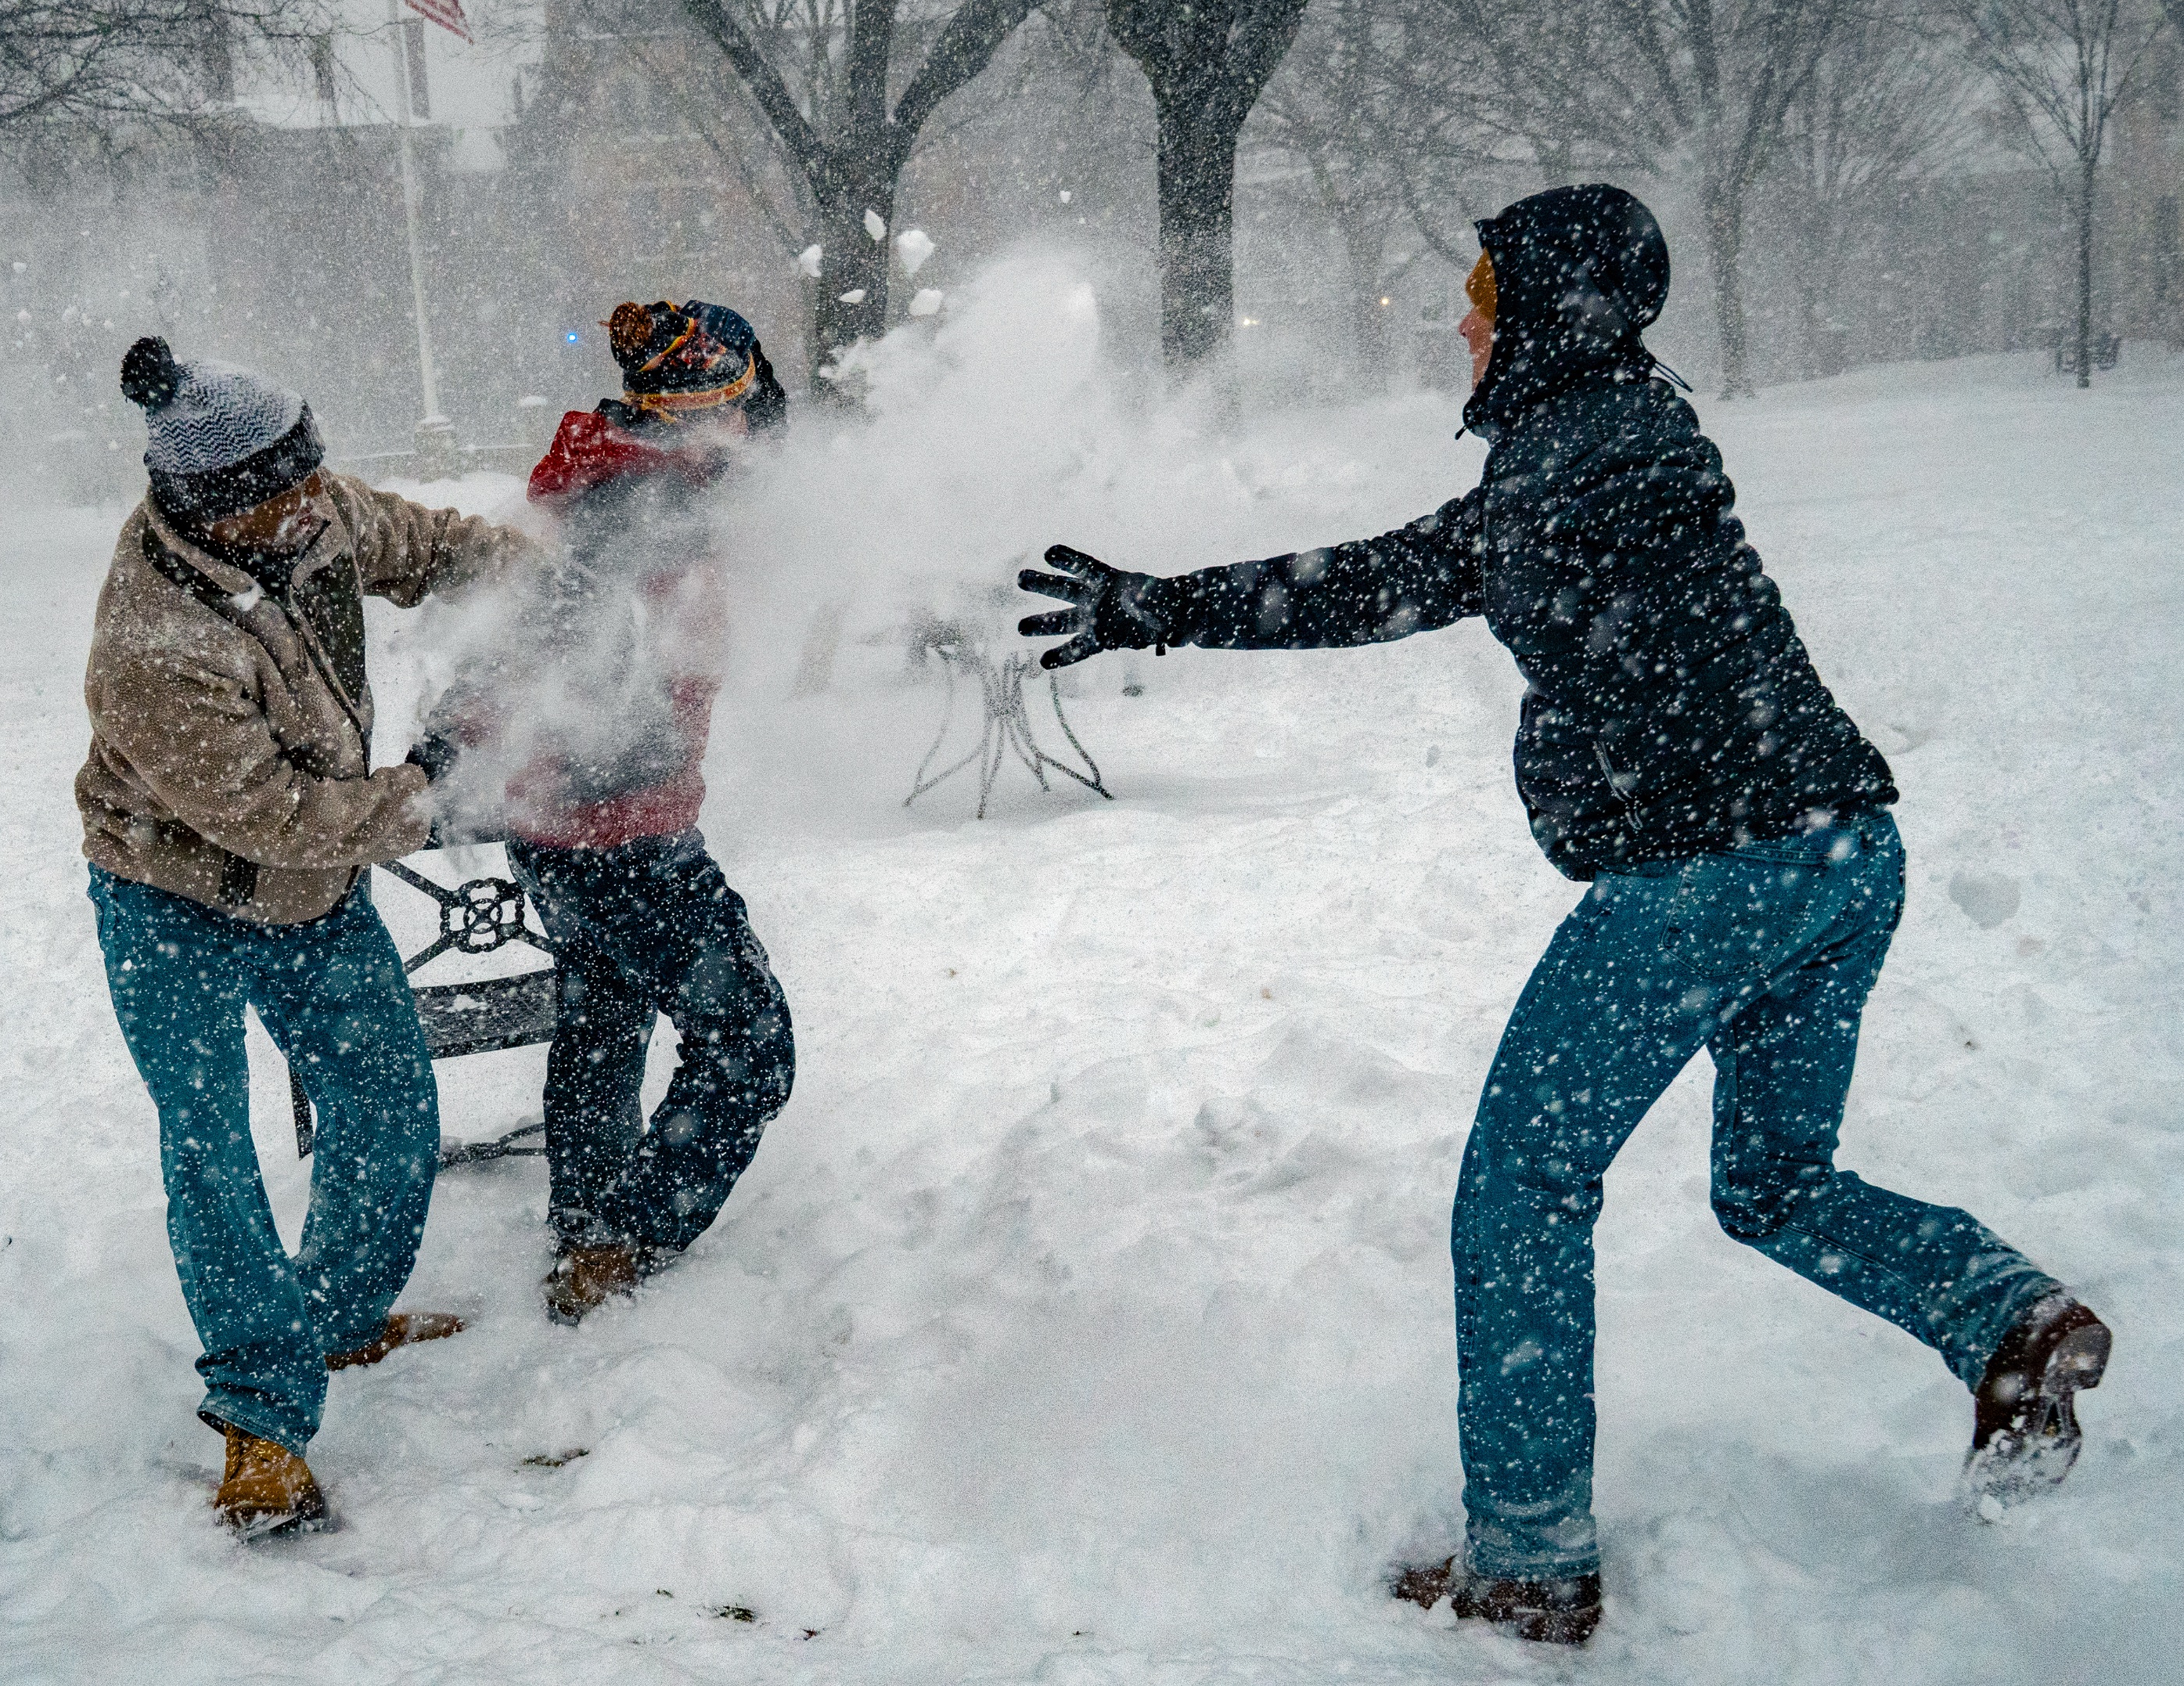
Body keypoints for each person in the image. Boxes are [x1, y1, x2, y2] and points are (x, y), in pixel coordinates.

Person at [1016, 185, 2110, 1647]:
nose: (1463, 320)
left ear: (1545, 311)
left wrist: (1173, 605)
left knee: (1521, 1189)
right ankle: (2003, 1314)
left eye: (1483, 294)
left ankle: (1529, 1559)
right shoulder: (1614, 439)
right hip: (1843, 855)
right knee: (1774, 1183)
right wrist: (1177, 603)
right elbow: (1444, 569)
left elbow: (1396, 577)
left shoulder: (1573, 460)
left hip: (1710, 882)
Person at [80, 337, 539, 1536]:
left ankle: (339, 1314)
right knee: (212, 1147)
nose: (312, 503)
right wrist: (427, 788)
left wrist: (537, 577)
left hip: (308, 897)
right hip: (170, 899)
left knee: (386, 1090)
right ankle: (261, 1421)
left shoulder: (313, 508)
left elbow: (430, 545)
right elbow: (285, 818)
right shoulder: (154, 641)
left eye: (312, 475)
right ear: (218, 508)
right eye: (283, 492)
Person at [416, 299, 794, 1324]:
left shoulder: (621, 474)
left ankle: (587, 1226)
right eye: (751, 398)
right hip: (620, 830)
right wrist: (464, 749)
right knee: (752, 1043)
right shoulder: (633, 502)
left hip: (571, 831)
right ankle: (625, 1234)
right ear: (712, 403)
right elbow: (529, 638)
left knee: (604, 1014)